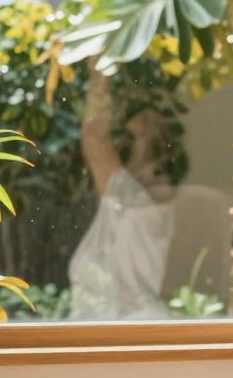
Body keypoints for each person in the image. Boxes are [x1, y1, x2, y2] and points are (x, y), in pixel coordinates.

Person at [67, 66, 178, 320]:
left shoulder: (138, 206)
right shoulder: (133, 207)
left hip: (129, 327)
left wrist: (100, 67)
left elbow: (94, 137)